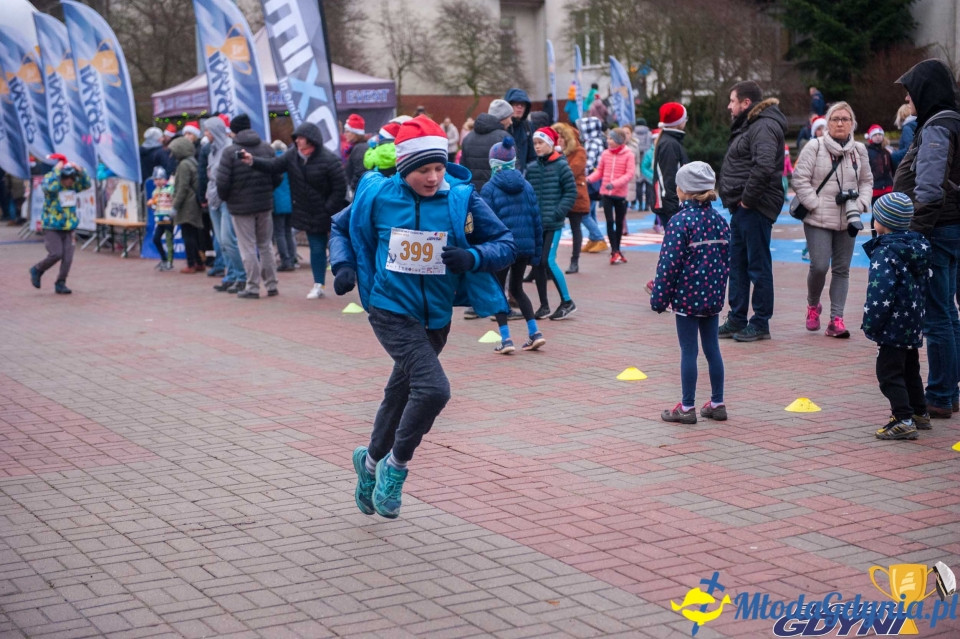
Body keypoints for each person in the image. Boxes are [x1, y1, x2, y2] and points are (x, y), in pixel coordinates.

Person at [328, 115, 516, 519]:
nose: (433, 178)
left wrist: (475, 256)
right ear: (404, 168)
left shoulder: (460, 199)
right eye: (423, 170)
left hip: (435, 317)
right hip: (389, 307)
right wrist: (342, 266)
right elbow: (339, 229)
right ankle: (395, 468)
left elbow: (506, 242)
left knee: (401, 392)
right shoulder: (377, 195)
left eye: (439, 167)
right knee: (433, 390)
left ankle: (370, 461)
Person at [893, 58, 960, 419]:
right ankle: (950, 391)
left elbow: (930, 188)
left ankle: (939, 393)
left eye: (910, 90)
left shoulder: (938, 126)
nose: (907, 97)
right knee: (949, 313)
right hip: (952, 226)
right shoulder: (952, 120)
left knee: (937, 317)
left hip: (939, 228)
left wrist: (916, 235)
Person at [651, 162, 730, 424]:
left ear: (683, 190)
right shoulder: (720, 221)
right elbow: (726, 260)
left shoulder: (679, 222)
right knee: (712, 348)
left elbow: (668, 265)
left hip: (686, 297)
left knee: (688, 350)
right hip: (713, 296)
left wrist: (659, 298)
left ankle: (687, 407)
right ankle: (717, 403)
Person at [791, 101, 873, 338]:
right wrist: (814, 204)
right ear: (827, 123)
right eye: (835, 119)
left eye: (845, 119)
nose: (840, 123)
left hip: (849, 218)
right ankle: (812, 305)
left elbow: (867, 181)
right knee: (819, 266)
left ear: (852, 124)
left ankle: (836, 319)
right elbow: (800, 179)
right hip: (817, 217)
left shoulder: (859, 150)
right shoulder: (814, 147)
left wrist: (860, 204)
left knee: (842, 269)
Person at [242, 122, 347, 300]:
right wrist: (252, 161)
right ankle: (318, 284)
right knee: (316, 247)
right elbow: (274, 165)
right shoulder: (292, 156)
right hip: (307, 212)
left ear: (311, 140)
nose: (297, 140)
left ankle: (348, 278)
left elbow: (339, 188)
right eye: (296, 137)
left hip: (327, 212)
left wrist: (328, 208)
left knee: (338, 245)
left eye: (301, 137)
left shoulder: (329, 159)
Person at [717, 80, 787, 342]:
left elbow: (764, 166)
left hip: (754, 206)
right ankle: (736, 319)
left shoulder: (764, 125)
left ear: (746, 103)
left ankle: (760, 322)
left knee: (757, 266)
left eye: (732, 101)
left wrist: (747, 200)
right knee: (738, 265)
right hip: (742, 207)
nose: (729, 106)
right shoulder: (751, 125)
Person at [862, 192, 931, 440]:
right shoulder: (917, 247)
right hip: (913, 320)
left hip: (892, 324)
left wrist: (871, 323)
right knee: (911, 368)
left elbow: (880, 291)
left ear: (883, 222)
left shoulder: (885, 252)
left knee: (889, 372)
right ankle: (919, 412)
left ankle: (902, 418)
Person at [479, 137, 545, 354]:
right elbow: (537, 220)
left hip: (501, 248)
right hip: (524, 247)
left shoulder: (489, 188)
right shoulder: (526, 185)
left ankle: (506, 339)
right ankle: (534, 333)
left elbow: (485, 222)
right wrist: (536, 253)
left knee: (498, 292)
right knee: (518, 288)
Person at [217, 113, 280, 299]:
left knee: (247, 247)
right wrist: (268, 190)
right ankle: (272, 284)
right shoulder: (267, 148)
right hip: (265, 204)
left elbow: (222, 183)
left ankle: (252, 286)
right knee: (265, 245)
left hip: (240, 206)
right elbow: (277, 175)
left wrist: (227, 198)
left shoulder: (230, 153)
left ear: (234, 131)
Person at [527, 126, 578, 320]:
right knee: (537, 264)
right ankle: (544, 305)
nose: (537, 147)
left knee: (548, 260)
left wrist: (558, 212)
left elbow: (571, 192)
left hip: (554, 223)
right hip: (537, 224)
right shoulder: (532, 168)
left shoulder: (561, 166)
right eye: (535, 143)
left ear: (550, 143)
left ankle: (567, 301)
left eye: (541, 143)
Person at [29, 160, 91, 294]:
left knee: (68, 257)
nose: (70, 181)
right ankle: (38, 269)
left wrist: (80, 169)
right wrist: (56, 170)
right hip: (52, 226)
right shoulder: (53, 185)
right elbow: (48, 186)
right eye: (67, 178)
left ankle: (61, 282)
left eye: (72, 178)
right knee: (56, 253)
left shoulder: (73, 187)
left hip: (69, 227)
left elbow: (87, 184)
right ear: (61, 177)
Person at [201, 116, 246, 293]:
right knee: (221, 241)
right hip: (213, 197)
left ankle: (242, 275)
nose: (205, 134)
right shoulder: (211, 149)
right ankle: (231, 275)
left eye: (207, 130)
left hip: (226, 199)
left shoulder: (229, 148)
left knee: (229, 239)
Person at [587, 128, 636, 264]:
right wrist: (589, 179)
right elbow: (600, 171)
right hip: (606, 194)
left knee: (619, 223)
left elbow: (629, 173)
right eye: (608, 138)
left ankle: (618, 249)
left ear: (619, 141)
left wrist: (614, 184)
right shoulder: (605, 154)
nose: (608, 141)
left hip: (620, 194)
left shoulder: (628, 154)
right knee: (609, 222)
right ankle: (614, 251)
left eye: (611, 138)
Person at [552, 121, 590, 274]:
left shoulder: (578, 151)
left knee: (576, 229)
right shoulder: (555, 153)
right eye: (557, 137)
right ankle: (548, 263)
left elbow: (573, 170)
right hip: (557, 196)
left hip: (576, 195)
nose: (559, 139)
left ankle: (575, 260)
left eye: (562, 137)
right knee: (552, 229)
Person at [169, 136, 204, 274]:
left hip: (187, 204)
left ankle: (191, 263)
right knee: (194, 234)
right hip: (193, 202)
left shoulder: (184, 165)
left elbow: (182, 187)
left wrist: (175, 206)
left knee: (187, 234)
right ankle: (199, 262)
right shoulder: (192, 162)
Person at [576, 116, 610, 253]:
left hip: (590, 181)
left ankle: (598, 237)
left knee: (584, 213)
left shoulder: (591, 142)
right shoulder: (598, 140)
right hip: (596, 181)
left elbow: (587, 163)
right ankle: (593, 238)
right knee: (591, 212)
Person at [460, 100, 511, 190]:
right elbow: (511, 171)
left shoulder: (468, 138)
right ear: (502, 118)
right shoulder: (504, 138)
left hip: (473, 195)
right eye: (509, 117)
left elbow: (463, 172)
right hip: (496, 195)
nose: (511, 122)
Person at [269, 140, 296, 272]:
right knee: (288, 232)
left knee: (279, 232)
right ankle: (292, 257)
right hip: (290, 201)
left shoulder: (274, 163)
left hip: (277, 202)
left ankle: (285, 261)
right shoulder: (290, 162)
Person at [147, 167, 175, 271]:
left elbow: (174, 199)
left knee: (169, 240)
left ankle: (169, 262)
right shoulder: (155, 192)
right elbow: (156, 205)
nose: (156, 182)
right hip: (160, 219)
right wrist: (152, 205)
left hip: (169, 218)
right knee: (156, 239)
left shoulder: (170, 188)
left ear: (163, 179)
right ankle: (164, 258)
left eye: (158, 179)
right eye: (155, 180)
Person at [504, 88, 537, 173]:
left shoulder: (528, 126)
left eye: (523, 105)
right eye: (516, 104)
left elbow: (532, 156)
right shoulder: (502, 126)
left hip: (523, 176)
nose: (520, 107)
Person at [866, 124, 894, 205]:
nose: (878, 137)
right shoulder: (867, 152)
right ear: (870, 137)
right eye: (875, 135)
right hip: (875, 188)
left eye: (880, 134)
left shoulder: (888, 151)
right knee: (876, 213)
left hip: (888, 186)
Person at [342, 114, 369, 193]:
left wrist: (352, 189)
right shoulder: (356, 147)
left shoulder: (359, 148)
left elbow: (360, 173)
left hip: (357, 192)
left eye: (347, 131)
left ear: (355, 133)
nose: (345, 134)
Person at [891, 102, 917, 168]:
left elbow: (909, 148)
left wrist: (894, 155)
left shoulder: (907, 128)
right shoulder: (916, 124)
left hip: (909, 165)